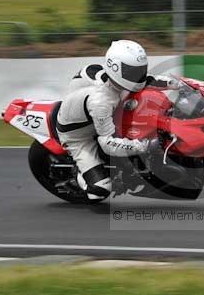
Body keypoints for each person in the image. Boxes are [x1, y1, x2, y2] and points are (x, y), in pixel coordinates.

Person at [56, 40, 179, 200]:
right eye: (133, 71)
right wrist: (144, 146)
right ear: (116, 69)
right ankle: (81, 173)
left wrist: (175, 83)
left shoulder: (114, 81)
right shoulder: (101, 101)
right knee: (99, 192)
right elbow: (107, 143)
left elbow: (148, 80)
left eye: (140, 70)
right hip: (79, 136)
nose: (138, 75)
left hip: (96, 115)